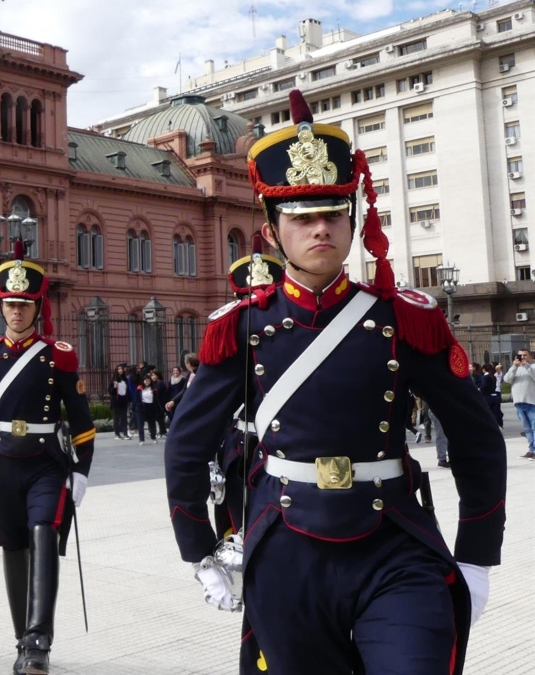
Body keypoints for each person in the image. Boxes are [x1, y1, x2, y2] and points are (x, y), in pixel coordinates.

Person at [165, 90, 506, 675]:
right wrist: (199, 550)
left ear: (354, 219)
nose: (319, 229)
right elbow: (187, 444)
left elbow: (475, 435)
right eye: (301, 217)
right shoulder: (243, 326)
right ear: (272, 232)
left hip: (393, 542)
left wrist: (477, 555)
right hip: (287, 544)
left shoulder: (405, 318)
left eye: (332, 214)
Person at [0, 241, 95, 675]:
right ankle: (23, 640)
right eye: (11, 304)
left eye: (25, 304)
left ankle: (39, 641)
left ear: (38, 307)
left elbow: (83, 421)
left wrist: (81, 471)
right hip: (1, 464)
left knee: (43, 537)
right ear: (1, 305)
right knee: (13, 547)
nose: (17, 311)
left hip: (45, 463)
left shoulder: (59, 357)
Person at [504, 348, 535, 458]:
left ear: (530, 356)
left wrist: (526, 366)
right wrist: (514, 367)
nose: (522, 358)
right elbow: (507, 379)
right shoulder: (515, 369)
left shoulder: (532, 367)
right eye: (520, 355)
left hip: (531, 402)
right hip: (519, 402)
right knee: (527, 428)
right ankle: (531, 450)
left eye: (525, 355)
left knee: (534, 427)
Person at [134, 375, 158, 444]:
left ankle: (153, 437)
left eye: (149, 381)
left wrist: (157, 408)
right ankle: (141, 439)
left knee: (152, 424)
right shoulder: (139, 388)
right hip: (141, 408)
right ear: (143, 381)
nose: (147, 382)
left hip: (150, 407)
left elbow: (156, 399)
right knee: (140, 424)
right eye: (146, 381)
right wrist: (134, 407)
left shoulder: (153, 389)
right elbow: (136, 399)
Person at [109, 365, 131, 439]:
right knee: (116, 418)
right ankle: (117, 434)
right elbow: (110, 391)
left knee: (124, 418)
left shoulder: (125, 379)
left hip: (124, 400)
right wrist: (114, 387)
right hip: (116, 401)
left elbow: (128, 390)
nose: (120, 370)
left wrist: (129, 398)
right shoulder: (113, 380)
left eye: (121, 369)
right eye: (119, 369)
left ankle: (125, 434)